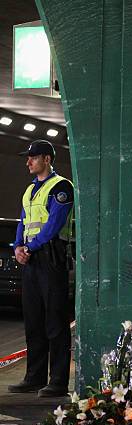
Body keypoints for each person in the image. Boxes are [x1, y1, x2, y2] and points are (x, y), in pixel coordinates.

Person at [8, 140, 74, 398]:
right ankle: (34, 378)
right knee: (33, 320)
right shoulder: (30, 190)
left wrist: (30, 247)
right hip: (32, 259)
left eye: (33, 157)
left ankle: (57, 381)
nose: (28, 162)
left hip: (51, 257)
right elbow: (23, 221)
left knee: (55, 321)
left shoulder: (61, 187)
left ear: (47, 159)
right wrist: (18, 247)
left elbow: (54, 224)